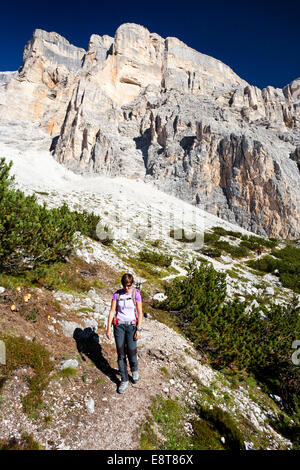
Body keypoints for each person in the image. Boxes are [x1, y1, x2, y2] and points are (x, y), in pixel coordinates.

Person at [106, 273, 143, 394]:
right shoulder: (117, 294)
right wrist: (108, 328)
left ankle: (134, 369)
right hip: (119, 326)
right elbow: (112, 311)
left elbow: (140, 313)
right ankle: (124, 379)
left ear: (132, 284)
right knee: (121, 354)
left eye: (129, 285)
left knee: (132, 351)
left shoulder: (135, 294)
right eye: (125, 285)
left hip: (132, 326)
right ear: (122, 284)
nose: (127, 288)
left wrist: (139, 329)